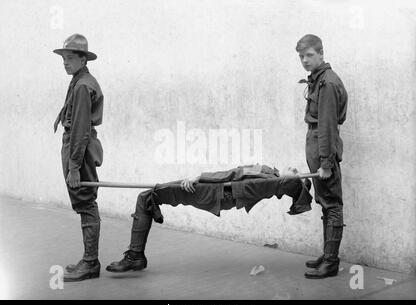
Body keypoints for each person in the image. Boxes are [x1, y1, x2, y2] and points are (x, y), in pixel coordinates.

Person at [105, 165, 313, 273]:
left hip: (213, 190)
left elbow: (232, 174)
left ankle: (135, 257)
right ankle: (136, 254)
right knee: (149, 196)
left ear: (291, 183)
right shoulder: (271, 173)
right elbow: (235, 172)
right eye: (297, 170)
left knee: (147, 196)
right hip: (215, 188)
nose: (296, 170)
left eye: (298, 174)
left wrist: (199, 178)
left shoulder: (275, 181)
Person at [295, 34, 348, 279]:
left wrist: (326, 162)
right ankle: (326, 255)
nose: (304, 60)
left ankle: (331, 262)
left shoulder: (327, 82)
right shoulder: (318, 80)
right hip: (316, 146)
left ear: (321, 53)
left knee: (332, 205)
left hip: (322, 146)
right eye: (301, 56)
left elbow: (327, 124)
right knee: (324, 203)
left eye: (309, 55)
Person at [53, 34, 104, 282]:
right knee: (84, 202)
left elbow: (81, 129)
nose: (65, 62)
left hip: (79, 149)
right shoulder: (78, 80)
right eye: (64, 58)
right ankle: (88, 260)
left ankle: (91, 263)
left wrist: (74, 167)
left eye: (70, 57)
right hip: (75, 145)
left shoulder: (83, 85)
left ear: (84, 59)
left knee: (86, 202)